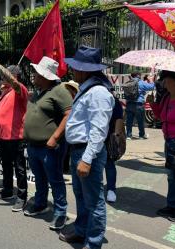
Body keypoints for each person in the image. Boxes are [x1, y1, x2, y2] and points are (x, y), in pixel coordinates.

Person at [60, 46, 114, 249]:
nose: (73, 71)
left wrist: (87, 158)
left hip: (86, 151)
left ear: (84, 70)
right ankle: (82, 231)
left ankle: (93, 242)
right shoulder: (88, 89)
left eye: (75, 68)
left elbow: (99, 131)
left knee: (94, 201)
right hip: (79, 151)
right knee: (82, 196)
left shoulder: (98, 92)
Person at [22, 56, 72, 231]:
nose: (34, 76)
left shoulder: (60, 91)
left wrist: (55, 137)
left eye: (36, 73)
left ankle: (60, 212)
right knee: (40, 178)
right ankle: (41, 203)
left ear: (45, 76)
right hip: (34, 146)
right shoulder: (38, 92)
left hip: (50, 147)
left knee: (55, 180)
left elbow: (69, 114)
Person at [0, 56, 29, 212]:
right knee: (6, 166)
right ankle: (8, 190)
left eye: (5, 76)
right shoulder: (5, 94)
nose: (2, 79)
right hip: (4, 138)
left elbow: (13, 82)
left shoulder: (20, 90)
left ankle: (22, 197)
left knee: (19, 169)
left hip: (16, 138)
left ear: (13, 77)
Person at [150, 70, 175, 223]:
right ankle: (172, 206)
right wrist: (153, 104)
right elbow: (161, 117)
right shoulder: (167, 97)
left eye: (166, 78)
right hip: (169, 142)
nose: (163, 82)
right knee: (171, 177)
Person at [105, 91, 125, 203]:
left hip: (109, 137)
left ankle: (111, 189)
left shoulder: (113, 100)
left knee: (109, 164)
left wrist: (116, 136)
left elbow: (119, 118)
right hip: (94, 137)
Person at [125, 72, 155, 140]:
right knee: (140, 120)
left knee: (129, 121)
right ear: (139, 76)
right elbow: (152, 87)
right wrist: (151, 80)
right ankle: (141, 135)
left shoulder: (128, 82)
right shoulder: (141, 82)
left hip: (129, 103)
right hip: (139, 103)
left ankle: (128, 135)